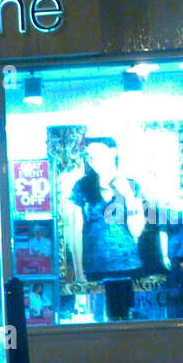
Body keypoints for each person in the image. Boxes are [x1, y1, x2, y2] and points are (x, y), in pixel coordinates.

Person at [68, 136, 146, 322]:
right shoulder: (82, 186)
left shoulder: (131, 186)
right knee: (98, 325)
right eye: (89, 155)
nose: (93, 158)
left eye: (98, 153)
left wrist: (128, 197)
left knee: (127, 325)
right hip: (95, 268)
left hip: (127, 267)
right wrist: (79, 271)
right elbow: (75, 231)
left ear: (113, 152)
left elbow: (136, 232)